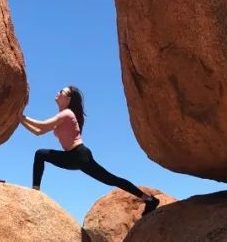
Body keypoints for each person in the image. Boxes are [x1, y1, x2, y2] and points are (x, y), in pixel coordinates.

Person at [20, 85, 159, 214]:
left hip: (80, 155)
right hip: (71, 157)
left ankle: (149, 200)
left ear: (68, 99)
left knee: (111, 179)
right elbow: (38, 132)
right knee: (40, 154)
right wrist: (19, 119)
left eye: (61, 92)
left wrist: (20, 116)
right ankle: (36, 190)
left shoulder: (67, 114)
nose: (58, 93)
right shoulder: (63, 115)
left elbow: (42, 125)